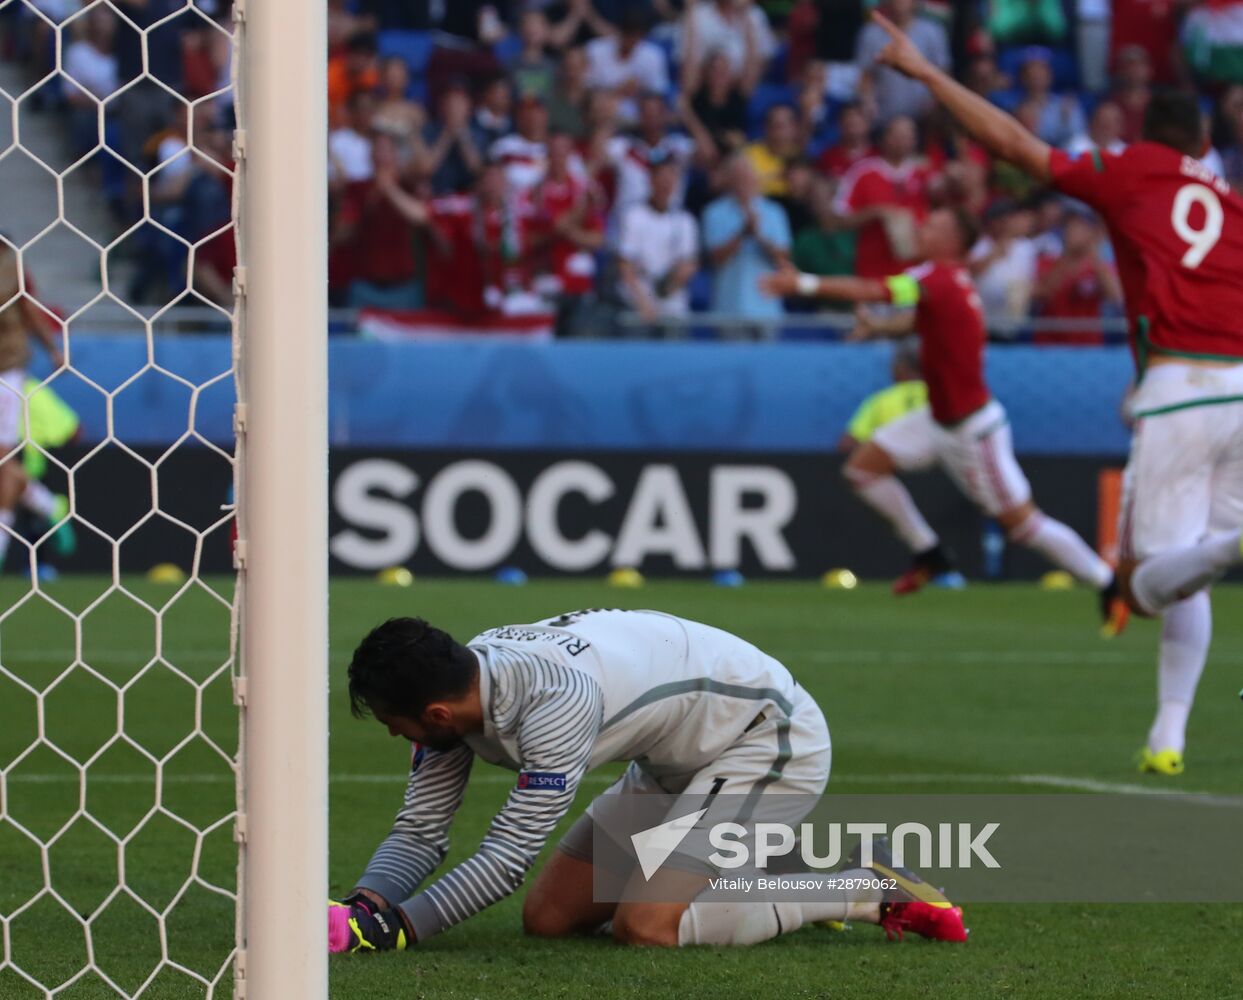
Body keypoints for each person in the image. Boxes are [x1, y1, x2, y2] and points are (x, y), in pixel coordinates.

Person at [866, 10, 1243, 774]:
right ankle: (1166, 736)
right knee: (1192, 560)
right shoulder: (1230, 205)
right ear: (1203, 145)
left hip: (1180, 386)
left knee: (1141, 586)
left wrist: (930, 75)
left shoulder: (1130, 168)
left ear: (1145, 135)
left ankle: (1234, 550)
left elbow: (1012, 147)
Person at [327, 610, 967, 952]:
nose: (395, 736)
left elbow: (506, 856)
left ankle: (864, 888)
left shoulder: (552, 704)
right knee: (551, 919)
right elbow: (421, 829)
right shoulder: (457, 685)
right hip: (673, 761)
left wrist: (402, 930)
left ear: (436, 715)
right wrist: (365, 908)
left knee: (647, 927)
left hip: (764, 741)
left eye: (393, 723)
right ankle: (746, 870)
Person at [759, 206, 1115, 598]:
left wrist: (804, 285)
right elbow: (922, 320)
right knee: (861, 471)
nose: (923, 228)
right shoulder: (947, 282)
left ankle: (1107, 581)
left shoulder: (936, 278)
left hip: (972, 431)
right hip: (937, 419)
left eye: (934, 225)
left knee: (1024, 525)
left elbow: (874, 290)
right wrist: (880, 327)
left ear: (953, 242)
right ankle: (929, 553)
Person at [0, 243, 65, 573]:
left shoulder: (10, 272)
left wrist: (53, 348)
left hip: (5, 372)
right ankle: (49, 504)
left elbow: (29, 311)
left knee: (1, 459)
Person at [832, 116, 934, 280]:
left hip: (914, 273)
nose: (902, 141)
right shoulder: (863, 172)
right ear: (884, 138)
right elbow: (839, 219)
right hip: (873, 271)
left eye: (908, 136)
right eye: (896, 135)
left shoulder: (924, 173)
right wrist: (875, 213)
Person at [702, 155, 791, 326]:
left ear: (755, 179)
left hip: (766, 309)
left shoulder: (775, 212)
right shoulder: (713, 213)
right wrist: (742, 234)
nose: (742, 182)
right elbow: (714, 259)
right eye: (737, 177)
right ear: (729, 181)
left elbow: (783, 259)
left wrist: (758, 236)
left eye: (747, 176)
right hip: (728, 309)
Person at [617, 153, 699, 327]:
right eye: (661, 176)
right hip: (637, 306)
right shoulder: (634, 216)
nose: (665, 183)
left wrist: (668, 287)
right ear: (650, 179)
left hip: (673, 307)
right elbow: (626, 265)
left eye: (671, 177)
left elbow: (689, 264)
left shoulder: (685, 220)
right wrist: (643, 303)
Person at [1031, 208, 1122, 345]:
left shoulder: (1100, 267)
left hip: (1087, 345)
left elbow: (1114, 296)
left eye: (1081, 228)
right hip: (1049, 343)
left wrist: (1093, 255)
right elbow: (1042, 294)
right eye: (1070, 227)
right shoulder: (1047, 261)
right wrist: (1067, 256)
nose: (1073, 232)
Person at [854, 0, 949, 124]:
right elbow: (864, 77)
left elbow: (944, 74)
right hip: (882, 121)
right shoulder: (870, 33)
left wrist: (934, 104)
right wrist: (867, 102)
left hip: (924, 120)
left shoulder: (933, 32)